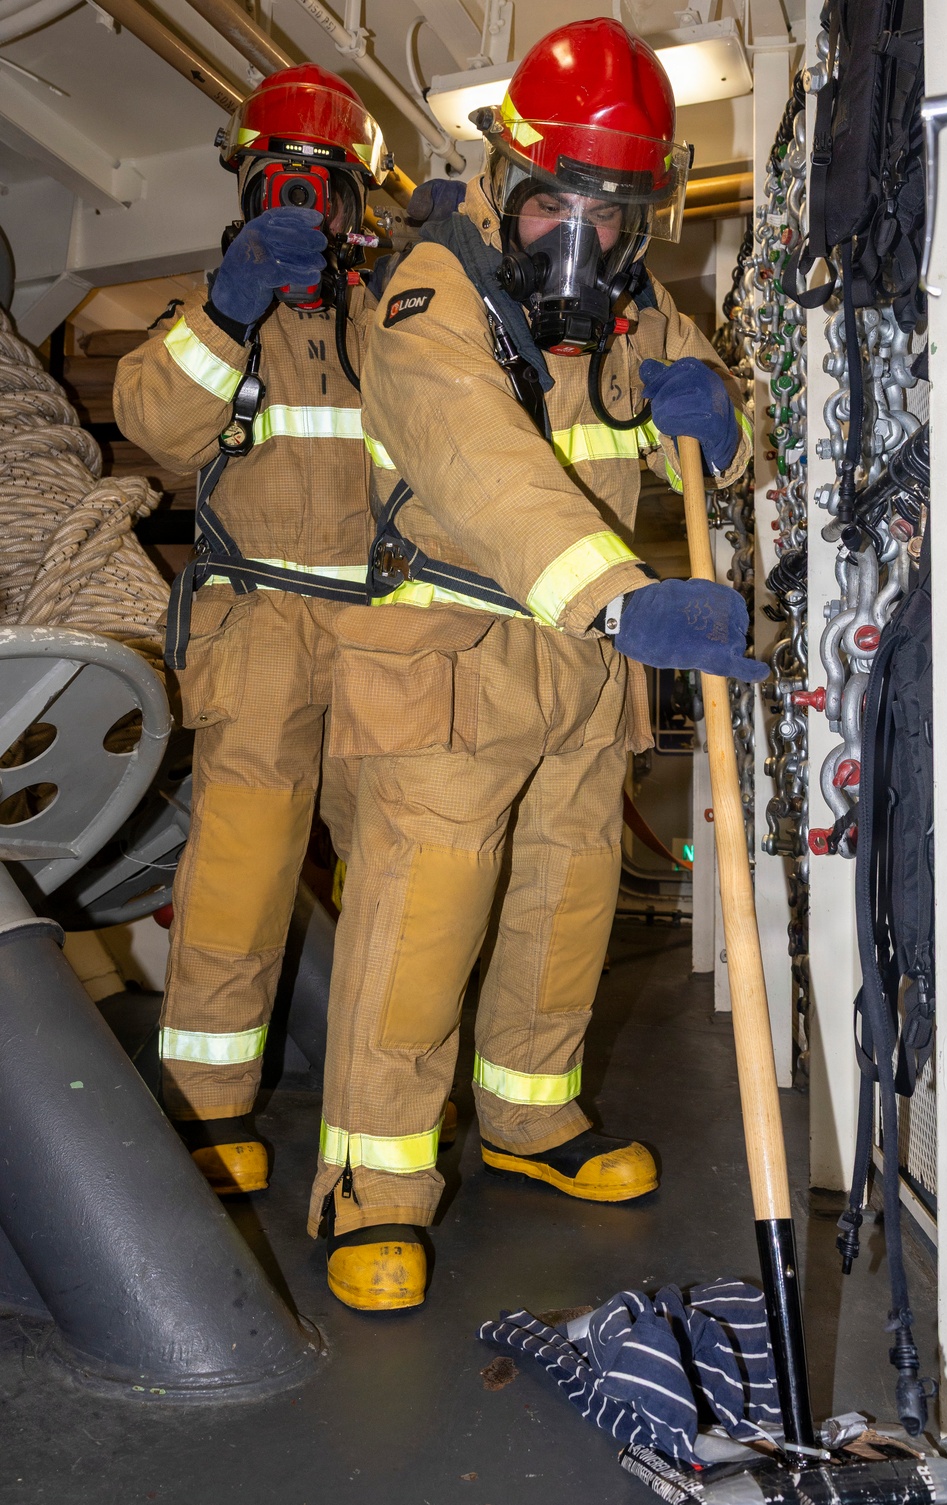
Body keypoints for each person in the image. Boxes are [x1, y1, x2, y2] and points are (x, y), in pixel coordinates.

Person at [306, 18, 765, 1311]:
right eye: (556, 199)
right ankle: (371, 1188)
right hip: (451, 661)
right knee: (422, 922)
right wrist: (624, 602)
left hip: (576, 679)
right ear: (508, 182)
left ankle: (531, 1118)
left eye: (613, 211)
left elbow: (725, 440)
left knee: (567, 903)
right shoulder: (422, 302)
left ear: (645, 213)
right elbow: (485, 469)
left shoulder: (636, 307)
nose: (583, 236)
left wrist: (720, 416)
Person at [114, 64, 392, 1195]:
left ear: (356, 205)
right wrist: (230, 309)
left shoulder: (398, 323)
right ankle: (209, 1109)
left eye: (322, 190)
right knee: (237, 882)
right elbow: (150, 422)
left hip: (389, 636)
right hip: (261, 629)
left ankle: (387, 1113)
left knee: (400, 881)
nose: (300, 207)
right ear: (245, 186)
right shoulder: (207, 311)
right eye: (280, 180)